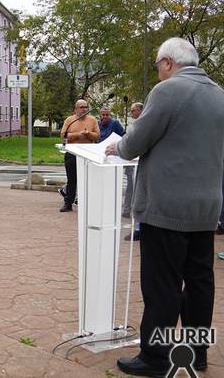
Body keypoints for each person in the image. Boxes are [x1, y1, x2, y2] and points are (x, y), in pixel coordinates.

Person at [105, 38, 224, 377]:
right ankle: (196, 353)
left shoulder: (169, 91)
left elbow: (137, 140)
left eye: (159, 66)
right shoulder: (219, 94)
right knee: (200, 281)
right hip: (206, 207)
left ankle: (156, 357)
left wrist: (119, 148)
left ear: (168, 62)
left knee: (162, 284)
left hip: (167, 206)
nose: (159, 73)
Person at [59, 100, 100, 212]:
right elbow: (63, 135)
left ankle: (85, 203)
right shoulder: (70, 120)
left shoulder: (92, 120)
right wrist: (78, 135)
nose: (84, 109)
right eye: (82, 107)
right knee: (72, 180)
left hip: (88, 153)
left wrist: (88, 134)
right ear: (76, 109)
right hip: (72, 153)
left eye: (86, 107)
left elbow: (97, 136)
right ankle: (68, 204)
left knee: (87, 180)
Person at [122, 102, 143, 219]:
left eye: (133, 110)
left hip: (139, 161)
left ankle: (136, 213)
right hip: (131, 160)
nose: (131, 113)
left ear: (139, 110)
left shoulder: (144, 123)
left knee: (137, 187)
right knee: (130, 186)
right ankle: (127, 209)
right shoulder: (134, 124)